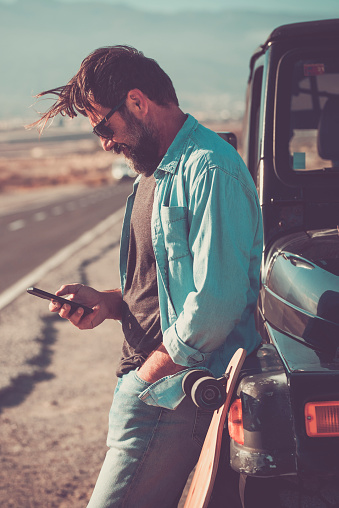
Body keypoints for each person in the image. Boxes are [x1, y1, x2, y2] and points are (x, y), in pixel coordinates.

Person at [32, 46, 263, 508]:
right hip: (152, 388)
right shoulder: (155, 172)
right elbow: (167, 286)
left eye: (104, 127)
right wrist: (110, 302)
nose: (105, 143)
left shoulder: (210, 169)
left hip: (171, 396)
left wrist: (146, 379)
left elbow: (213, 306)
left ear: (137, 102)